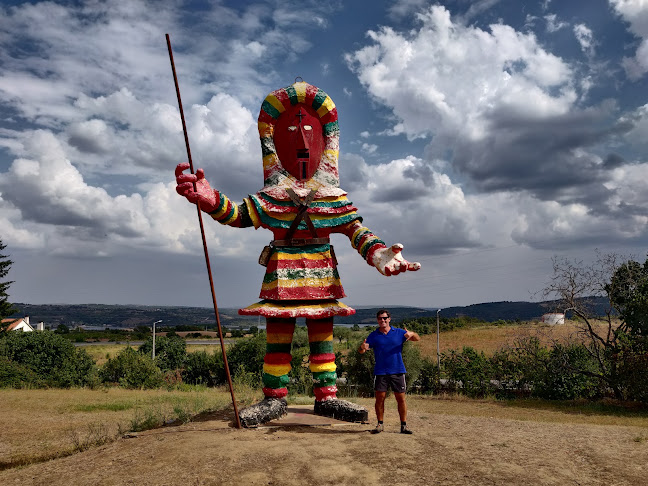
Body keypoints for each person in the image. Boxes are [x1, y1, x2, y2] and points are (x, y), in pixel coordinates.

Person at [175, 80, 421, 427]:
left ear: (326, 139)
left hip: (321, 275)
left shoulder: (332, 197)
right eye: (292, 130)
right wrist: (210, 199)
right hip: (282, 277)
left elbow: (356, 230)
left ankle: (327, 397)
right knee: (279, 336)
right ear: (273, 139)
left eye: (310, 130)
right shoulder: (272, 197)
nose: (304, 141)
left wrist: (380, 254)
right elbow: (239, 214)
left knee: (323, 335)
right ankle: (274, 398)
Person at [359, 309, 420, 434]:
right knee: (379, 398)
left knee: (401, 398)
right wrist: (362, 348)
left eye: (385, 318)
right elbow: (362, 351)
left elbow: (417, 339)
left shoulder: (399, 332)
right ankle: (380, 424)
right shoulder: (373, 335)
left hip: (397, 370)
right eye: (380, 318)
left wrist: (412, 334)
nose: (383, 320)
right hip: (381, 372)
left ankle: (404, 426)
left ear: (389, 319)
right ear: (377, 320)